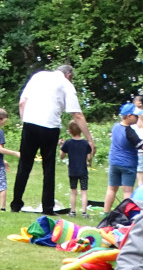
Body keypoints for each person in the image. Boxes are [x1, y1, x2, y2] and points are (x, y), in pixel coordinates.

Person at [10, 64, 95, 215]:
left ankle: (16, 204)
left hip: (30, 124)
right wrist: (89, 139)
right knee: (48, 167)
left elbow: (22, 102)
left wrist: (25, 121)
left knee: (24, 165)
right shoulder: (66, 84)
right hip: (49, 127)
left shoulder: (38, 76)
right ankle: (47, 207)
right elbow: (77, 115)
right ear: (69, 76)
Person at [104, 105, 143, 212]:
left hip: (114, 163)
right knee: (127, 192)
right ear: (129, 116)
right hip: (128, 165)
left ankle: (105, 213)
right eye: (136, 116)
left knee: (111, 188)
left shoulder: (115, 127)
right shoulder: (130, 132)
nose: (138, 118)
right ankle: (126, 214)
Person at [60, 121, 93, 217]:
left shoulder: (68, 143)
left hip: (72, 171)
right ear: (81, 131)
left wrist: (61, 146)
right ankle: (84, 212)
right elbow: (89, 157)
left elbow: (62, 156)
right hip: (83, 171)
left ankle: (73, 211)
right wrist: (89, 162)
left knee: (73, 192)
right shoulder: (85, 143)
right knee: (84, 192)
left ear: (70, 131)